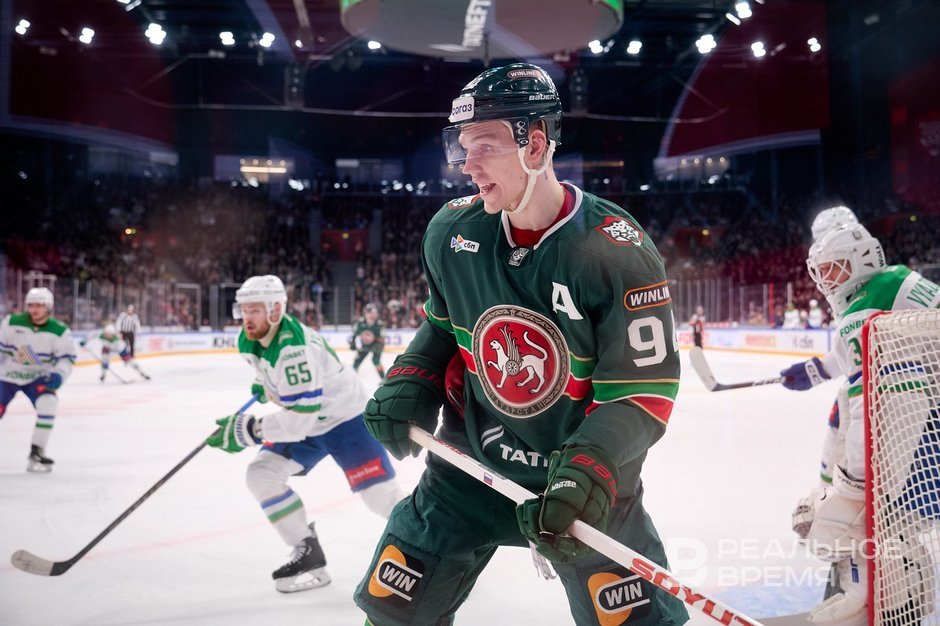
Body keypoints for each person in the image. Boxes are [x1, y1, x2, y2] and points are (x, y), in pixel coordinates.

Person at [354, 62, 687, 625]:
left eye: (484, 147)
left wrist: (591, 466)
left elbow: (642, 393)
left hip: (583, 483)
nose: (467, 165)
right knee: (392, 615)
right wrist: (415, 374)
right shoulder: (451, 233)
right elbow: (444, 326)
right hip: (468, 468)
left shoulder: (615, 253)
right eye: (462, 148)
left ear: (534, 145)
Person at [206, 275, 406, 593]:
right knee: (262, 474)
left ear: (275, 310)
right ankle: (307, 550)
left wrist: (249, 430)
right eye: (243, 310)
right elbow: (287, 395)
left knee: (380, 497)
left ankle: (438, 544)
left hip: (346, 419)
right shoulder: (249, 338)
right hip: (311, 420)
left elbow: (299, 421)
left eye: (254, 310)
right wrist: (267, 385)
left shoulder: (294, 349)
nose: (247, 318)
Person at [791, 223, 940, 623]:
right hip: (898, 429)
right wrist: (810, 370)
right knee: (881, 525)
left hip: (913, 428)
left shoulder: (888, 287)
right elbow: (848, 362)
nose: (826, 279)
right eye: (822, 270)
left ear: (861, 259)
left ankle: (888, 600)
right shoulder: (859, 308)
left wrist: (852, 484)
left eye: (834, 267)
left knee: (840, 526)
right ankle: (892, 598)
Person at [779, 206, 860, 485]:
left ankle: (836, 498)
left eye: (831, 259)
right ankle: (830, 496)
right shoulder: (849, 296)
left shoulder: (883, 288)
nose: (824, 271)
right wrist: (817, 369)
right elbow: (853, 351)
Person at [0, 287, 76, 472]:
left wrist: (58, 375)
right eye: (31, 305)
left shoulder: (59, 331)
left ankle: (37, 451)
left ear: (48, 307)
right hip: (6, 376)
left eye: (39, 305)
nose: (34, 309)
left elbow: (66, 358)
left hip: (38, 378)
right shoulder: (12, 322)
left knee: (48, 403)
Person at [79, 323, 150, 382]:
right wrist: (84, 341)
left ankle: (141, 372)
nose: (107, 335)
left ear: (113, 334)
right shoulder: (101, 334)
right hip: (107, 347)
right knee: (105, 359)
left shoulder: (117, 340)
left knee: (130, 361)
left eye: (109, 334)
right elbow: (91, 335)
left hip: (120, 349)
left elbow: (117, 351)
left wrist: (125, 359)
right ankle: (103, 374)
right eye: (106, 333)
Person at [350, 303, 386, 380]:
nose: (373, 315)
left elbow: (382, 339)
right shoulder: (360, 323)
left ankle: (383, 378)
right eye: (371, 313)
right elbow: (355, 335)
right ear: (366, 313)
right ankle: (352, 378)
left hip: (376, 345)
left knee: (375, 360)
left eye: (375, 313)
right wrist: (353, 343)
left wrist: (378, 347)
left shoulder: (379, 324)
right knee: (357, 360)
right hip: (364, 346)